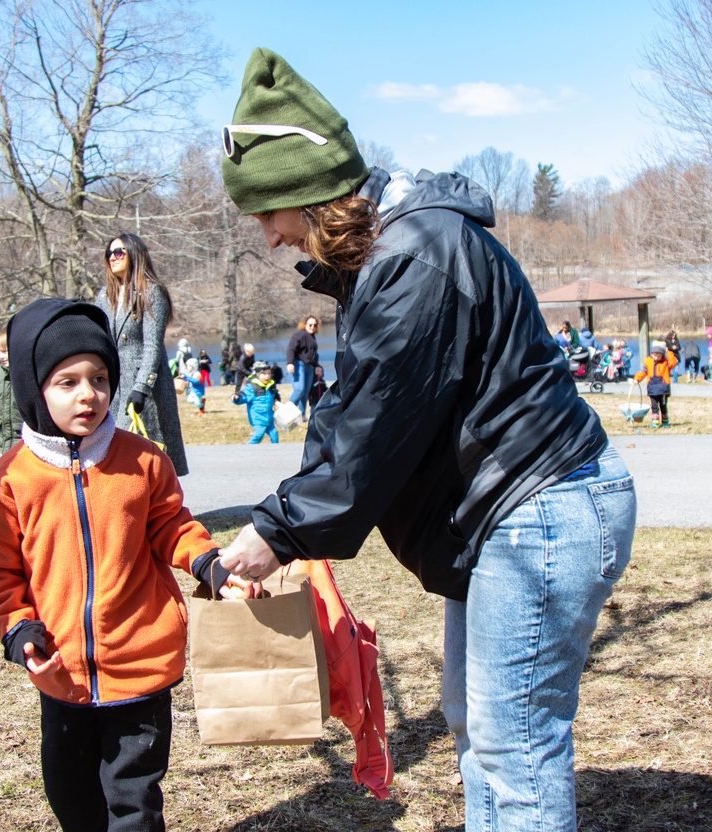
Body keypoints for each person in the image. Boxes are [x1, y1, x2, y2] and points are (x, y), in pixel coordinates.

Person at [216, 48, 636, 830]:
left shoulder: (415, 258)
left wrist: (274, 533)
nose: (269, 237)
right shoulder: (387, 258)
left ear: (306, 197)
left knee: (515, 750)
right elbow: (351, 412)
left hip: (538, 508)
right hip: (507, 514)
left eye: (267, 213)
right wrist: (279, 522)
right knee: (476, 726)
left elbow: (372, 433)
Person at [0, 298, 254, 832]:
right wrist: (18, 629)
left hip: (141, 667)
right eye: (67, 382)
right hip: (62, 675)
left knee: (135, 805)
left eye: (99, 378)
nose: (89, 394)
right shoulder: (10, 478)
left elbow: (172, 525)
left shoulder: (144, 459)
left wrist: (210, 563)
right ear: (34, 388)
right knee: (72, 798)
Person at [95, 232, 188, 475]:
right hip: (115, 385)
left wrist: (142, 388)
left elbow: (153, 346)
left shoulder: (151, 292)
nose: (112, 258)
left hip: (146, 386)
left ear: (135, 254)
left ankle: (162, 507)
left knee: (151, 450)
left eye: (118, 252)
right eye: (109, 254)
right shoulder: (105, 296)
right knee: (116, 450)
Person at [232, 359, 280, 444]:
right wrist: (236, 398)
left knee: (274, 434)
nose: (267, 376)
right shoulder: (252, 387)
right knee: (259, 434)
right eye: (264, 374)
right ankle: (248, 449)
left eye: (269, 373)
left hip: (269, 417)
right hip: (258, 418)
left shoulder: (271, 385)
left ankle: (276, 452)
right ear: (257, 374)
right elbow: (243, 396)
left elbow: (275, 395)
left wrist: (277, 401)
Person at [633, 341, 678, 428]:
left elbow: (674, 361)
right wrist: (637, 378)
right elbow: (643, 372)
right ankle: (655, 422)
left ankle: (665, 422)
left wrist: (667, 351)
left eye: (659, 356)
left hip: (663, 388)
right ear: (651, 354)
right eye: (655, 355)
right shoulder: (648, 361)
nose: (656, 358)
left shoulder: (666, 362)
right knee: (654, 406)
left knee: (663, 405)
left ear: (662, 355)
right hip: (652, 387)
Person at [286, 315, 319, 418]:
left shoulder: (312, 337)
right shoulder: (299, 334)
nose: (312, 327)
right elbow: (291, 349)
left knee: (305, 392)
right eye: (310, 324)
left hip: (309, 368)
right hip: (298, 364)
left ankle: (302, 414)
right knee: (299, 390)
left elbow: (312, 354)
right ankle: (286, 414)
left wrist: (316, 366)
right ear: (305, 324)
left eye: (315, 325)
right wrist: (290, 363)